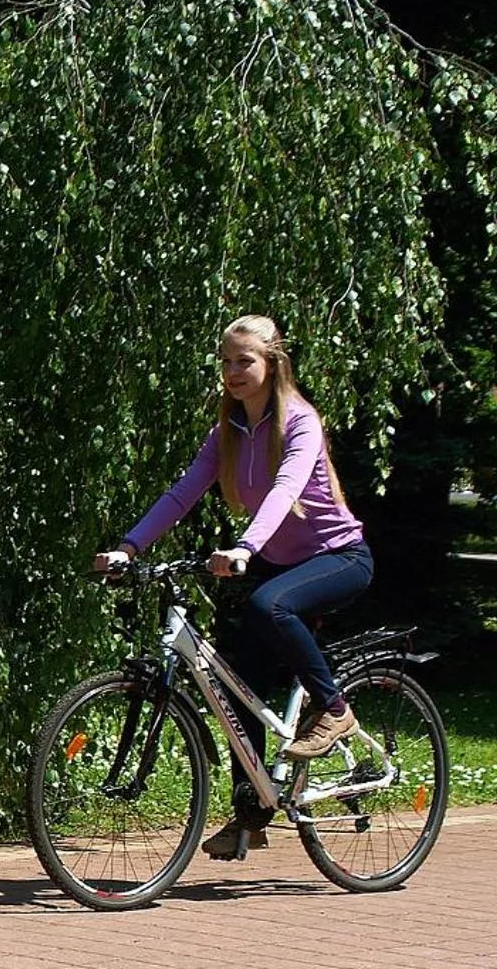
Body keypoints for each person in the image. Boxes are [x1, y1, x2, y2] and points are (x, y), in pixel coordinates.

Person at [95, 314, 374, 858]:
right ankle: (253, 809)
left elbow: (285, 485)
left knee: (271, 605)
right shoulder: (227, 432)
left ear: (272, 363)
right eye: (224, 361)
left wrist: (245, 546)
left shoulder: (299, 421)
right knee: (234, 678)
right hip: (274, 560)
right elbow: (182, 495)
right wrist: (129, 547)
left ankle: (335, 709)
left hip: (338, 557)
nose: (232, 371)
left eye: (243, 360)